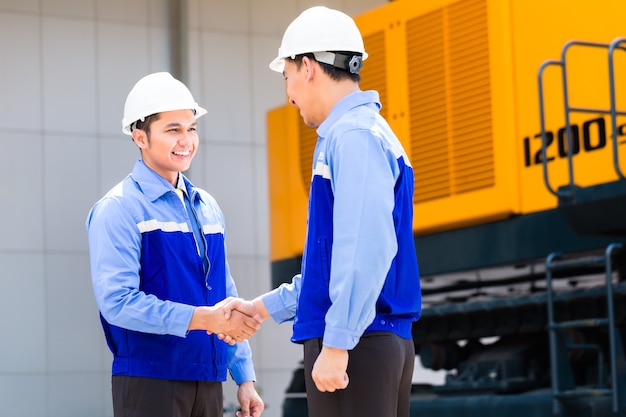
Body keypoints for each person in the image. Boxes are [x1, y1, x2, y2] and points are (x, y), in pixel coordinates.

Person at [223, 6, 422, 417]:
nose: (289, 93)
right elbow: (334, 264)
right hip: (369, 342)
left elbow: (365, 248)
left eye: (287, 77)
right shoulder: (363, 134)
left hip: (359, 346)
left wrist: (338, 342)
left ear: (309, 67)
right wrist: (262, 308)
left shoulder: (352, 137)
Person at [86, 72, 264, 417]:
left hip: (208, 379)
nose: (186, 140)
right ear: (140, 137)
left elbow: (223, 294)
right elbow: (117, 302)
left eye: (191, 128)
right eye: (173, 129)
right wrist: (201, 319)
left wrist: (243, 376)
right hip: (149, 382)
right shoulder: (119, 208)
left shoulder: (207, 206)